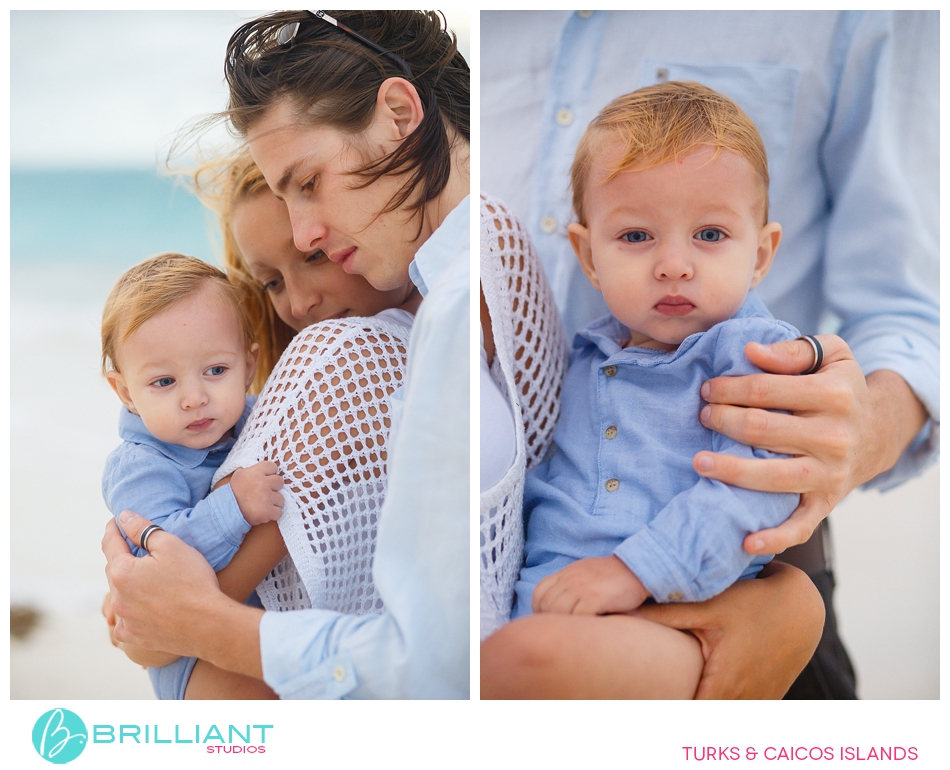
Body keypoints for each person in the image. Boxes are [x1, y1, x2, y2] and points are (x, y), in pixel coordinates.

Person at [481, 10, 937, 698]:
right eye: (635, 236)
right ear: (588, 256)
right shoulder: (584, 359)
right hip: (535, 597)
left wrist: (632, 572)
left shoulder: (758, 359)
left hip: (679, 614)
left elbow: (750, 495)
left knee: (522, 666)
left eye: (710, 234)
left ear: (762, 253)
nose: (673, 265)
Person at [104, 10, 470, 699]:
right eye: (270, 282)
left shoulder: (372, 350)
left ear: (401, 112)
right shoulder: (334, 366)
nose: (298, 299)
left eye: (310, 189)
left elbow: (172, 611)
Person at [100, 253, 283, 699]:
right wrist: (233, 506)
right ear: (125, 391)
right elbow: (161, 559)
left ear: (249, 365)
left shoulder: (260, 419)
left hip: (257, 625)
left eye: (216, 371)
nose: (195, 398)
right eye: (164, 382)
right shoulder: (141, 466)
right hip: (192, 661)